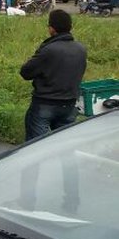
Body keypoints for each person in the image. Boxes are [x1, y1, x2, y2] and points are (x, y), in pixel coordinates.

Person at [20, 9, 87, 141]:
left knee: (36, 146)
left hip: (45, 103)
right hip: (69, 103)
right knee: (64, 145)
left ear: (52, 28)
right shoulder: (81, 49)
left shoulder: (48, 50)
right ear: (70, 27)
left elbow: (25, 72)